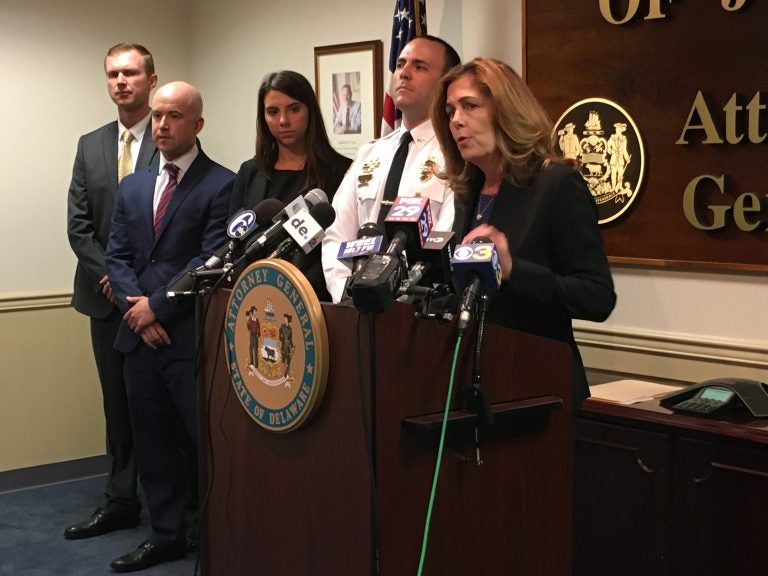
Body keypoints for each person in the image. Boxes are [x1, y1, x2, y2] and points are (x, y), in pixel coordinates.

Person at [431, 57, 616, 406]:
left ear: (507, 110)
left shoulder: (556, 185)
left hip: (538, 390)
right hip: (476, 390)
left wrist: (513, 269)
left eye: (469, 106)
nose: (456, 120)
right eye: (450, 110)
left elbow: (597, 297)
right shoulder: (467, 193)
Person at [105, 81, 234, 572]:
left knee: (201, 442)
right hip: (139, 340)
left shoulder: (221, 183)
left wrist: (157, 308)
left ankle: (217, 529)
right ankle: (165, 535)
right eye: (157, 116)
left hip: (187, 337)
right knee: (152, 443)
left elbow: (212, 259)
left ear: (196, 124)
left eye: (173, 116)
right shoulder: (133, 185)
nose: (161, 124)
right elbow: (117, 256)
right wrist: (138, 313)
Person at [65, 43, 158, 542]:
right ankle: (121, 500)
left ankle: (172, 506)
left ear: (150, 78)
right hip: (105, 302)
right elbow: (79, 227)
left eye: (131, 73)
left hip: (153, 301)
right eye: (113, 74)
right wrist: (113, 278)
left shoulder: (168, 139)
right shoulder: (90, 145)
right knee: (116, 405)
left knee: (158, 406)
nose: (121, 82)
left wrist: (133, 284)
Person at [322, 35, 461, 303]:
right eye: (400, 65)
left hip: (415, 309)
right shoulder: (370, 153)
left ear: (447, 83)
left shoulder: (454, 155)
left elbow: (444, 239)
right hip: (355, 307)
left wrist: (399, 302)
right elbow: (336, 234)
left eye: (420, 67)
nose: (404, 73)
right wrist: (344, 294)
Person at [228, 70, 351, 301]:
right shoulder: (250, 172)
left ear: (309, 112)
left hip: (316, 299)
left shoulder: (341, 171)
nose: (283, 121)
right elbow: (234, 243)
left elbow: (339, 244)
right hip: (256, 293)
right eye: (273, 112)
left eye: (294, 109)